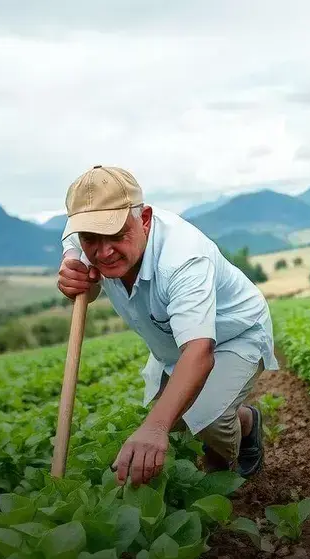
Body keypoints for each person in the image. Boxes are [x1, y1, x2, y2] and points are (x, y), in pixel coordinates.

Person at [55, 164, 278, 485]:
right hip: (171, 340)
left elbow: (199, 352)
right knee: (176, 422)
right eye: (91, 238)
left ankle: (229, 462)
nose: (104, 252)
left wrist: (154, 428)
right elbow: (76, 254)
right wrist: (71, 270)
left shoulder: (183, 258)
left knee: (205, 420)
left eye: (116, 235)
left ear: (144, 218)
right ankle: (231, 420)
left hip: (233, 333)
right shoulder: (84, 232)